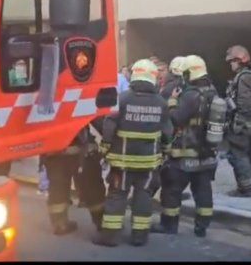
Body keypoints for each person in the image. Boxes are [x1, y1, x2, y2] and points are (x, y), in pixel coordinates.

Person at [93, 59, 173, 247]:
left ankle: (109, 237)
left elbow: (109, 125)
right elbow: (167, 132)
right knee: (143, 197)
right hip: (148, 163)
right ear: (153, 78)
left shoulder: (121, 98)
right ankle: (139, 236)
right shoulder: (161, 103)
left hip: (122, 163)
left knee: (117, 196)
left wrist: (104, 147)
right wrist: (167, 150)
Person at [151, 55, 218, 238]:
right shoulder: (213, 92)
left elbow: (176, 118)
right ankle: (201, 227)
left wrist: (172, 102)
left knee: (171, 190)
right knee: (203, 192)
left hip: (184, 155)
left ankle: (169, 225)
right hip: (206, 154)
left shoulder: (190, 94)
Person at [43, 127, 106, 235]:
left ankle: (60, 224)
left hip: (54, 149)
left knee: (57, 188)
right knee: (92, 187)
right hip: (81, 150)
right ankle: (102, 223)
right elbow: (100, 118)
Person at [148, 56, 191, 201]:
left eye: (162, 70)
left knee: (169, 165)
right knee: (167, 166)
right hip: (171, 130)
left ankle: (151, 194)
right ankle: (149, 194)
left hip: (169, 130)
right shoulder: (177, 85)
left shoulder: (170, 85)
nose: (160, 73)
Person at [224, 45, 251, 197]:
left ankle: (245, 187)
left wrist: (237, 121)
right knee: (249, 154)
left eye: (232, 61)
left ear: (240, 61)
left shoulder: (244, 77)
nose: (231, 64)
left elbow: (244, 104)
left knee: (238, 154)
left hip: (243, 124)